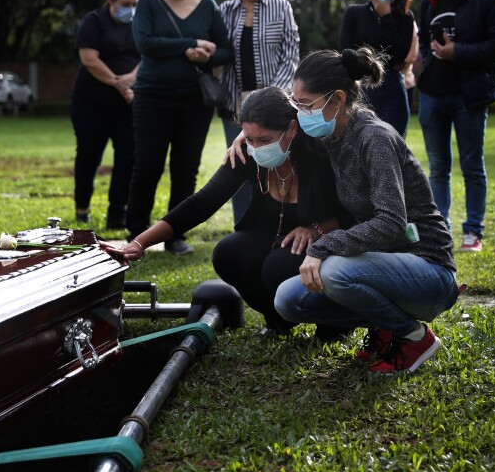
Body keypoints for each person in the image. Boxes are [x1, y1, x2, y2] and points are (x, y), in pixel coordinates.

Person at [270, 47, 460, 374]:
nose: (300, 113)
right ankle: (384, 327)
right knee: (288, 300)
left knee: (331, 272)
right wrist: (246, 134)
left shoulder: (374, 139)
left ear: (338, 99)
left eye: (306, 104)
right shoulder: (331, 134)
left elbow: (391, 223)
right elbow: (276, 128)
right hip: (380, 265)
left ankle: (414, 337)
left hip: (428, 269)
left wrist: (323, 246)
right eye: (295, 103)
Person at [108, 87, 351, 337]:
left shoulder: (321, 154)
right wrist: (140, 242)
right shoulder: (246, 152)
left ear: (291, 129)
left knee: (277, 266)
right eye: (249, 137)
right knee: (228, 253)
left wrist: (317, 229)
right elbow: (201, 203)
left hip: (327, 238)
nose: (256, 147)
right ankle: (278, 321)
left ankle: (334, 325)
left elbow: (354, 213)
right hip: (273, 233)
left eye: (265, 140)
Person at [126, 0, 231, 255]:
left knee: (186, 168)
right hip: (152, 97)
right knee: (148, 165)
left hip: (195, 101)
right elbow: (145, 43)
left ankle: (176, 235)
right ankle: (136, 230)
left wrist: (206, 53)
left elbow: (225, 50)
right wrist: (190, 43)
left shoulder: (208, 4)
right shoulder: (148, 2)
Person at [416, 0, 495, 252]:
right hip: (432, 95)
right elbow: (423, 48)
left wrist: (458, 52)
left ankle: (473, 232)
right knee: (438, 167)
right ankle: (440, 230)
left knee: (472, 165)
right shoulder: (428, 1)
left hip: (468, 97)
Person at [218, 0, 300, 224]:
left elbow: (290, 53)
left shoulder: (281, 6)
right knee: (239, 164)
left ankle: (275, 222)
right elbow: (219, 52)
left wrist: (271, 96)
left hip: (274, 102)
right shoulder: (225, 9)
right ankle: (244, 225)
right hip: (234, 103)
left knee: (274, 163)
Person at [70, 0, 141, 229]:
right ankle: (82, 209)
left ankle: (117, 215)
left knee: (127, 158)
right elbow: (90, 60)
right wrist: (119, 83)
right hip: (91, 104)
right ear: (111, 0)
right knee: (89, 157)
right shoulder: (94, 21)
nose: (131, 9)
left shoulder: (138, 24)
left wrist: (131, 79)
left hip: (127, 105)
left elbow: (146, 56)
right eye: (126, 4)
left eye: (135, 4)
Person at [339, 0, 416, 138]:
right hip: (359, 88)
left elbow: (399, 55)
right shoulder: (354, 13)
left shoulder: (405, 18)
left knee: (393, 147)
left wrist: (387, 17)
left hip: (392, 91)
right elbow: (346, 52)